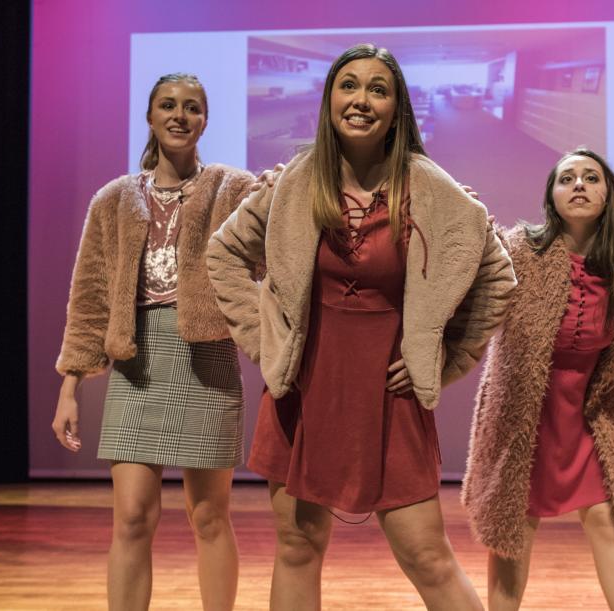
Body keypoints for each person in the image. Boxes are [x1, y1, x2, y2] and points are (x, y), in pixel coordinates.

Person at [207, 43, 516, 610]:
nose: (361, 99)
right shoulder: (292, 184)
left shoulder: (433, 190)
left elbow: (499, 279)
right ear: (329, 101)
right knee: (297, 546)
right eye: (348, 86)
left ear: (397, 109)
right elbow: (224, 255)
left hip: (388, 397)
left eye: (378, 89)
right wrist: (266, 339)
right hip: (303, 390)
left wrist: (441, 359)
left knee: (427, 557)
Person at [462, 148, 614, 611]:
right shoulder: (520, 248)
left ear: (607, 193)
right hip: (524, 413)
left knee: (607, 520)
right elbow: (468, 288)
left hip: (591, 410)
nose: (578, 185)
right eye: (566, 178)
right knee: (513, 526)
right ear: (551, 197)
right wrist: (467, 225)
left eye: (590, 177)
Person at [51, 73, 258, 611]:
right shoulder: (114, 199)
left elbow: (274, 246)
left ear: (205, 120)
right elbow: (91, 295)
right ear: (150, 116)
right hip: (137, 365)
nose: (179, 116)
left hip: (208, 359)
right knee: (133, 517)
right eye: (168, 105)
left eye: (192, 107)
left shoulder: (234, 188)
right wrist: (70, 387)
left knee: (210, 516)